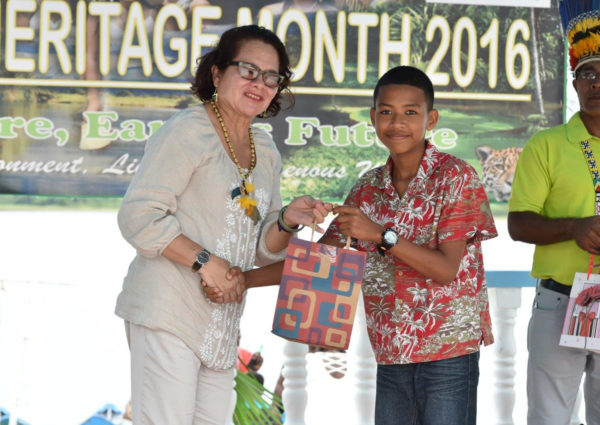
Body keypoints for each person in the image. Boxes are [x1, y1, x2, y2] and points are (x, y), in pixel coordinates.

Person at [210, 65, 497, 425]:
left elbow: (446, 268)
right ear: (373, 118)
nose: (397, 122)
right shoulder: (367, 188)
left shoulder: (456, 176)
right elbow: (320, 263)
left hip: (448, 353)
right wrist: (241, 279)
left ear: (431, 118)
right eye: (387, 112)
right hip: (391, 352)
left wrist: (380, 235)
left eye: (411, 112)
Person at [115, 24, 331, 425]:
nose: (260, 83)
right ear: (217, 73)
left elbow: (262, 246)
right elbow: (138, 216)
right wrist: (208, 263)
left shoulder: (264, 149)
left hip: (221, 321)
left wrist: (287, 219)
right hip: (167, 307)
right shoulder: (187, 131)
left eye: (272, 76)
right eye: (248, 70)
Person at [507, 2, 600, 424]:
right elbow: (518, 223)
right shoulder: (546, 145)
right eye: (588, 73)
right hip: (561, 300)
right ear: (575, 82)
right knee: (548, 418)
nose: (597, 83)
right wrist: (574, 228)